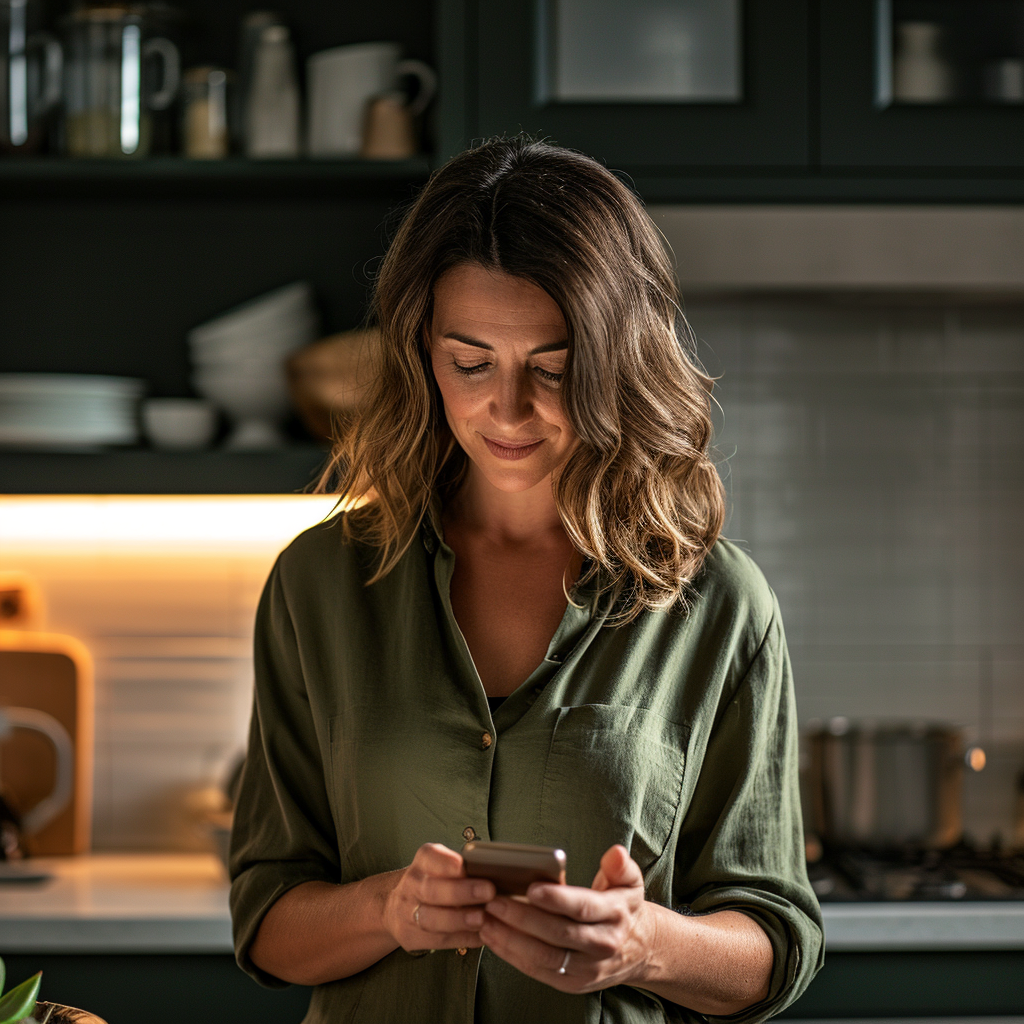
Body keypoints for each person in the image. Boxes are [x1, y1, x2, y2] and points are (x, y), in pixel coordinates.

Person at [229, 136, 824, 1024]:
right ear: (422, 354)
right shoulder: (319, 585)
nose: (508, 410)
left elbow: (777, 944)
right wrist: (389, 908)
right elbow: (267, 921)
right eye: (471, 364)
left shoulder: (720, 606)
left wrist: (643, 944)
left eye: (552, 368)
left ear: (621, 360)